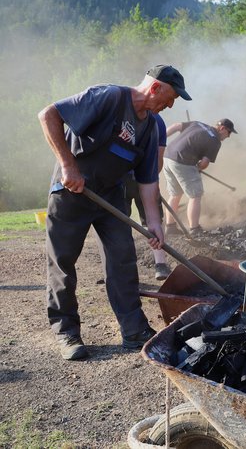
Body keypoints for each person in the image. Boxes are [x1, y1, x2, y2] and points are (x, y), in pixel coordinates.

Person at [37, 64, 192, 360]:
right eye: (171, 97)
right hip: (71, 193)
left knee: (123, 259)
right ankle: (67, 331)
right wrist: (68, 166)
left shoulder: (152, 127)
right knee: (63, 263)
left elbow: (148, 181)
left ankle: (134, 330)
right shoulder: (109, 97)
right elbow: (49, 115)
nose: (170, 105)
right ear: (155, 88)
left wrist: (156, 224)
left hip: (110, 197)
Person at [162, 118, 237, 236]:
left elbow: (176, 125)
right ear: (222, 128)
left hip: (167, 156)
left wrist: (160, 139)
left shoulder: (198, 124)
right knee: (195, 195)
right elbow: (204, 163)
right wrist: (197, 168)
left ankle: (170, 227)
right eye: (229, 132)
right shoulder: (215, 141)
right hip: (183, 161)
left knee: (175, 194)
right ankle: (195, 229)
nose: (228, 136)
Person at [124, 113, 171, 280]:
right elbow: (158, 160)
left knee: (120, 223)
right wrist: (151, 180)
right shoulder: (158, 120)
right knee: (153, 221)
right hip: (142, 178)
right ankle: (161, 265)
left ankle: (124, 272)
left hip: (119, 179)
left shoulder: (120, 113)